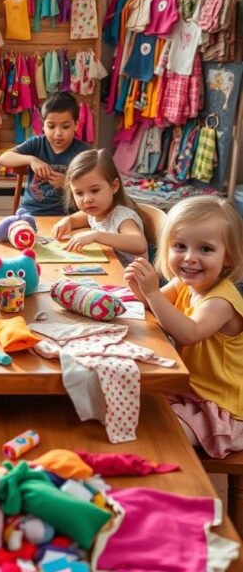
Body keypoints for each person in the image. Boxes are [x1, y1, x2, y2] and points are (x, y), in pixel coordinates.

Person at [125, 196, 243, 459]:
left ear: (228, 258)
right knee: (131, 405)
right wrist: (139, 287)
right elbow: (151, 304)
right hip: (188, 391)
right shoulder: (185, 284)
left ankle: (173, 486)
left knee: (156, 431)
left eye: (205, 249)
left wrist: (153, 294)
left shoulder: (221, 301)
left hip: (221, 410)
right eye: (180, 246)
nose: (190, 258)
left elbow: (189, 333)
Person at [0, 92, 87, 216]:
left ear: (76, 125)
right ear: (43, 126)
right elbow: (3, 158)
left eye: (65, 127)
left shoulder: (83, 152)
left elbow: (91, 186)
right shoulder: (37, 143)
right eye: (51, 126)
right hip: (31, 212)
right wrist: (31, 160)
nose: (58, 133)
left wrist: (68, 184)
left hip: (68, 216)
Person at [53, 148, 148, 266]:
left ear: (114, 186)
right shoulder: (96, 212)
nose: (87, 199)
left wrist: (95, 236)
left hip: (131, 279)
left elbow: (139, 244)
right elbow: (82, 217)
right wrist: (69, 220)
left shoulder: (122, 216)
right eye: (79, 193)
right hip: (109, 268)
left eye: (95, 190)